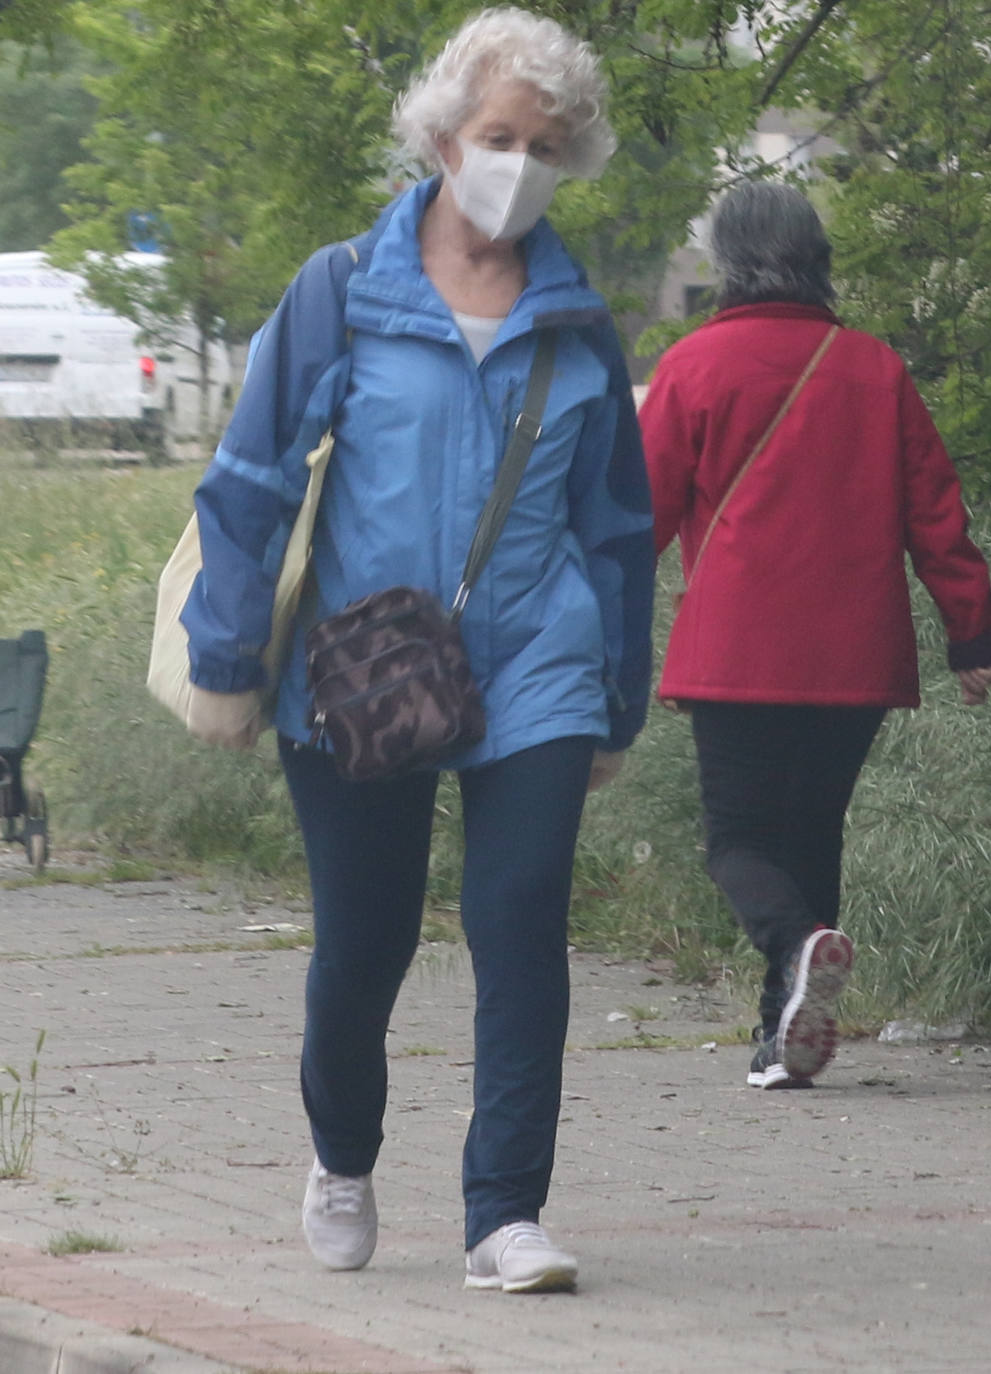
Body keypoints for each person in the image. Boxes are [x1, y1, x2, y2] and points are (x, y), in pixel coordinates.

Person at [180, 7, 653, 1293]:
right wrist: (226, 659)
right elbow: (250, 480)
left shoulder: (579, 321)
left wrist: (616, 697)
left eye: (547, 145)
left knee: (519, 919)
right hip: (362, 662)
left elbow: (617, 526)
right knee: (368, 939)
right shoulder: (344, 289)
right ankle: (342, 1152)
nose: (519, 162)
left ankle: (504, 1216)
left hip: (536, 660)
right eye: (500, 135)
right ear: (445, 137)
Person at [638, 181, 991, 1092]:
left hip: (736, 653)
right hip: (853, 656)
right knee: (810, 836)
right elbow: (936, 515)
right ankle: (784, 1039)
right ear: (816, 258)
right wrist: (975, 635)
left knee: (737, 843)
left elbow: (633, 516)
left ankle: (799, 950)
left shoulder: (693, 366)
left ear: (725, 260)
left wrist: (578, 618)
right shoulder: (874, 369)